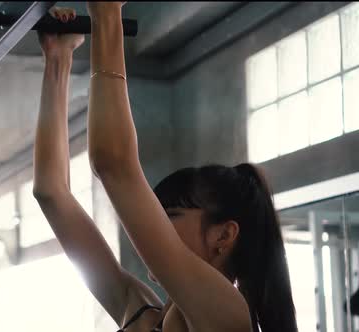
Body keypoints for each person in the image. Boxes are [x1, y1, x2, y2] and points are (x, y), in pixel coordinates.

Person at [32, 3, 298, 331]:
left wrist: (107, 17)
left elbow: (113, 164)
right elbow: (51, 193)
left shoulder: (227, 314)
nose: (151, 222)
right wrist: (58, 60)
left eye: (169, 215)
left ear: (224, 235)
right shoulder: (140, 311)